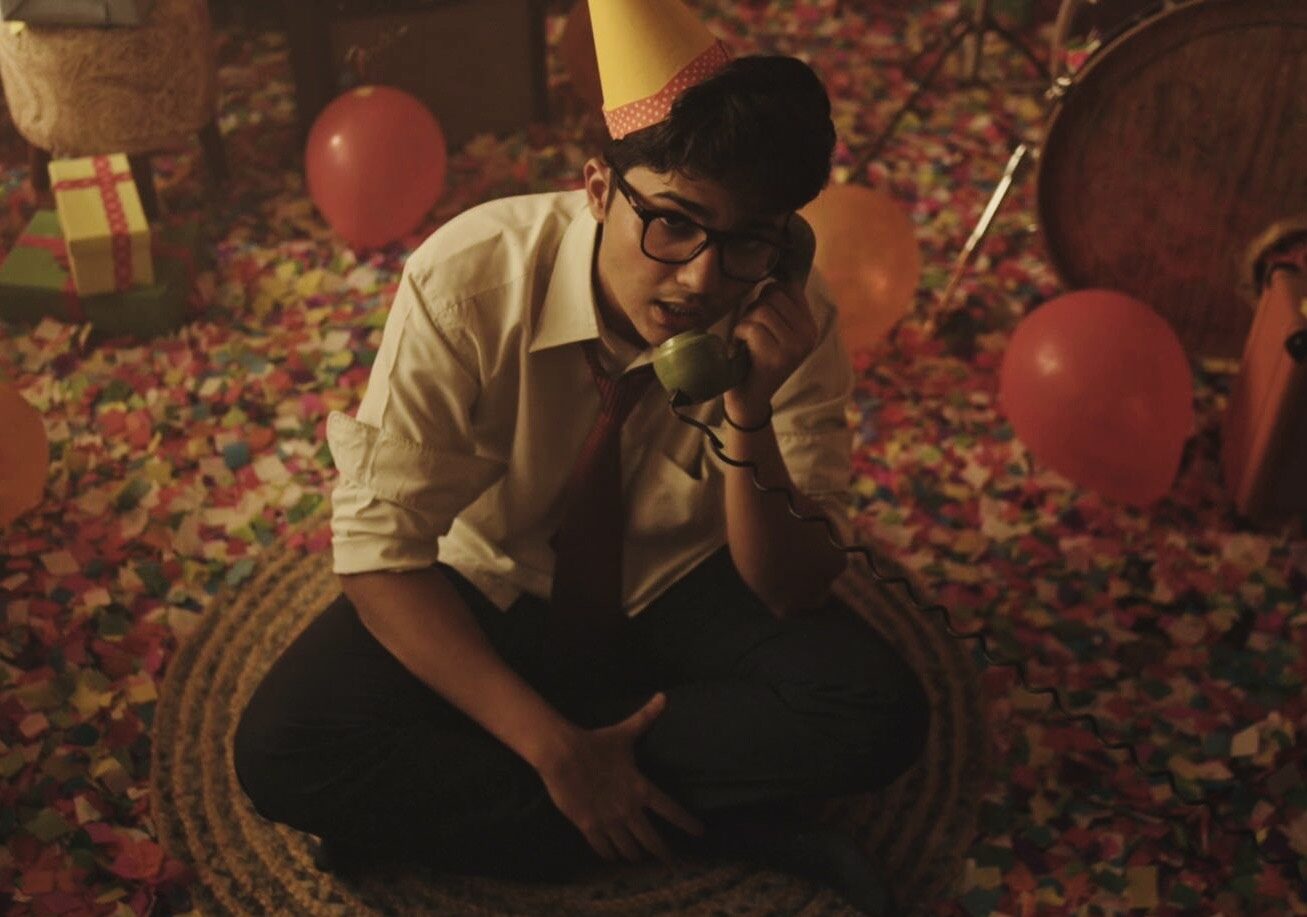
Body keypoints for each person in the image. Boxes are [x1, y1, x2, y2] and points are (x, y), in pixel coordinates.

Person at [233, 3, 929, 911]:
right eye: (673, 223)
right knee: (281, 748)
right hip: (496, 580)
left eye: (746, 239)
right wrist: (553, 748)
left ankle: (503, 812)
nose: (699, 280)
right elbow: (378, 554)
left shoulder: (788, 312)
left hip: (681, 588)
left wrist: (748, 409)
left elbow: (789, 587)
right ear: (598, 187)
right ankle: (710, 820)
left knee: (878, 716)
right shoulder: (466, 278)